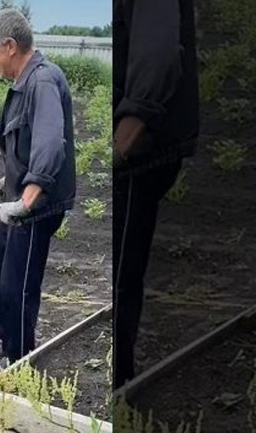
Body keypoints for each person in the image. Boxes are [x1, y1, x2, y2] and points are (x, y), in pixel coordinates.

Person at [0, 8, 76, 382]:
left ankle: (18, 361)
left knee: (18, 282)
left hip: (36, 207)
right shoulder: (23, 82)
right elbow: (24, 144)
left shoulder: (43, 81)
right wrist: (9, 185)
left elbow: (50, 143)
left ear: (10, 46)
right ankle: (7, 342)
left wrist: (27, 198)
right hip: (20, 200)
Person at [112, 0, 199, 389]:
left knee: (120, 276)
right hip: (134, 148)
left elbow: (160, 51)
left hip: (138, 152)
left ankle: (118, 385)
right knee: (120, 270)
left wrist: (125, 139)